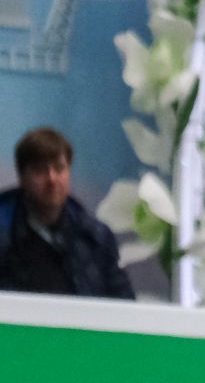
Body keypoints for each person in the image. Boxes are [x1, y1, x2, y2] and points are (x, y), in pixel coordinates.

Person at [0, 128, 133, 299]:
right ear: (22, 176)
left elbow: (124, 305)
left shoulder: (96, 239)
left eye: (59, 168)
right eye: (40, 170)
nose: (52, 179)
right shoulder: (5, 234)